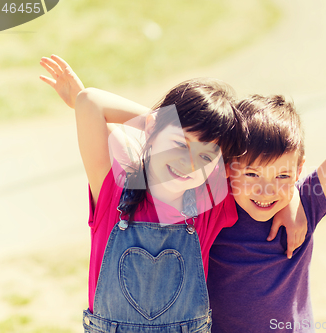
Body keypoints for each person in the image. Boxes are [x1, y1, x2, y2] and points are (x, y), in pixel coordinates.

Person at [39, 56, 305, 332]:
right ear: (153, 127)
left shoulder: (208, 203)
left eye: (205, 155)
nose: (189, 162)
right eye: (180, 143)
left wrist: (292, 200)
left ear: (219, 166)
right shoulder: (113, 190)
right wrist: (159, 123)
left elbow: (266, 178)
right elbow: (89, 101)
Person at [207, 17, 326, 332]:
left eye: (281, 176)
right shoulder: (211, 205)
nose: (266, 191)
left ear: (298, 169)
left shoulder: (306, 204)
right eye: (252, 174)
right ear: (227, 167)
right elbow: (162, 151)